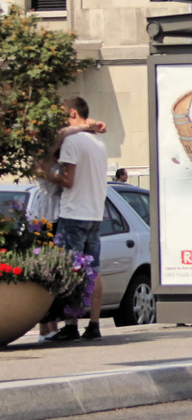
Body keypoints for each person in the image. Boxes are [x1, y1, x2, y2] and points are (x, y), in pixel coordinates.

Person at [38, 97, 108, 342]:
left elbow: (69, 180)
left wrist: (45, 174)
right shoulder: (98, 142)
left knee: (70, 268)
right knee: (94, 269)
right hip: (94, 213)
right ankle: (95, 324)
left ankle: (71, 325)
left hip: (74, 212)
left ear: (72, 113)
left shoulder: (72, 142)